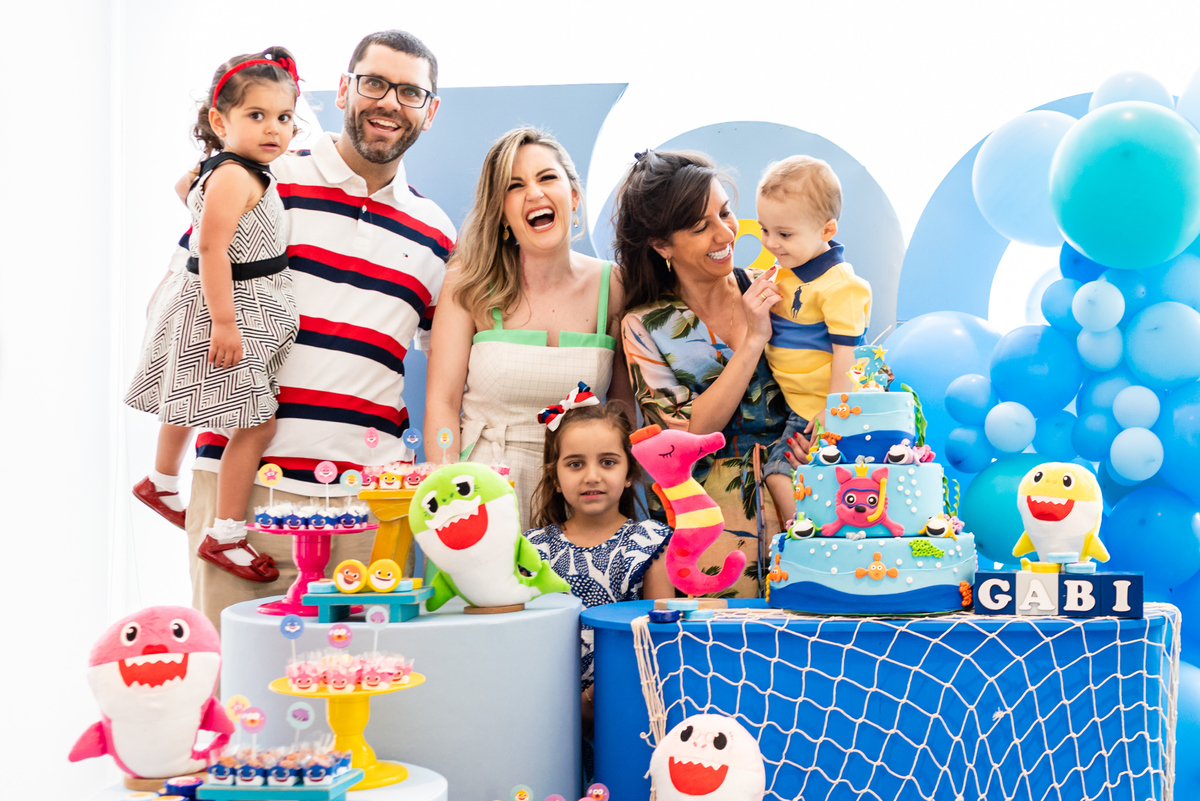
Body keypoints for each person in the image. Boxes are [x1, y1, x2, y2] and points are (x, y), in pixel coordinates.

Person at [170, 31, 455, 629]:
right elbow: (188, 292)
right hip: (240, 496)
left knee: (357, 703)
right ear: (345, 88)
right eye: (375, 82)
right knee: (233, 691)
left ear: (430, 112)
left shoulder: (437, 233)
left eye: (410, 91)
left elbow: (446, 366)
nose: (388, 102)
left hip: (362, 510)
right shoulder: (263, 179)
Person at [126, 46, 304, 582]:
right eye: (257, 116)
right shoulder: (234, 176)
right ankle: (226, 533)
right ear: (219, 119)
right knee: (256, 425)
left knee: (186, 395)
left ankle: (159, 481)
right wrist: (225, 322)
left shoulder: (224, 169)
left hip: (232, 301)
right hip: (231, 308)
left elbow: (188, 192)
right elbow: (212, 249)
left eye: (284, 117)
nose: (274, 129)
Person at [424, 127, 632, 527]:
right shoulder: (467, 281)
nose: (535, 193)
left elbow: (622, 415)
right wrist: (447, 497)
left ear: (573, 196)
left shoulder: (616, 285)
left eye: (547, 177)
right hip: (482, 494)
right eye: (515, 185)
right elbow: (442, 404)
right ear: (500, 210)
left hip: (583, 501)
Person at [617, 150, 795, 597]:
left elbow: (820, 383)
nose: (724, 233)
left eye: (725, 212)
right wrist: (753, 340)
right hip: (707, 532)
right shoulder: (645, 325)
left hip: (799, 508)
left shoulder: (774, 288)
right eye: (700, 227)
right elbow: (690, 433)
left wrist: (817, 429)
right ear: (662, 246)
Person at [524, 385, 672, 728]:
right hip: (548, 714)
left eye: (608, 462)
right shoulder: (532, 549)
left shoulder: (652, 543)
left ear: (629, 472)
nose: (592, 476)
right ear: (556, 478)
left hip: (626, 707)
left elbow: (659, 641)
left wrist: (595, 698)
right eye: (575, 464)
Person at [756, 156, 871, 518]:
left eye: (784, 234)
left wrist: (833, 413)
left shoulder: (841, 287)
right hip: (798, 405)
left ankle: (808, 544)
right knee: (786, 475)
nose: (772, 242)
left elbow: (847, 357)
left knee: (780, 474)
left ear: (826, 230)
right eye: (764, 229)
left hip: (825, 408)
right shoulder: (785, 271)